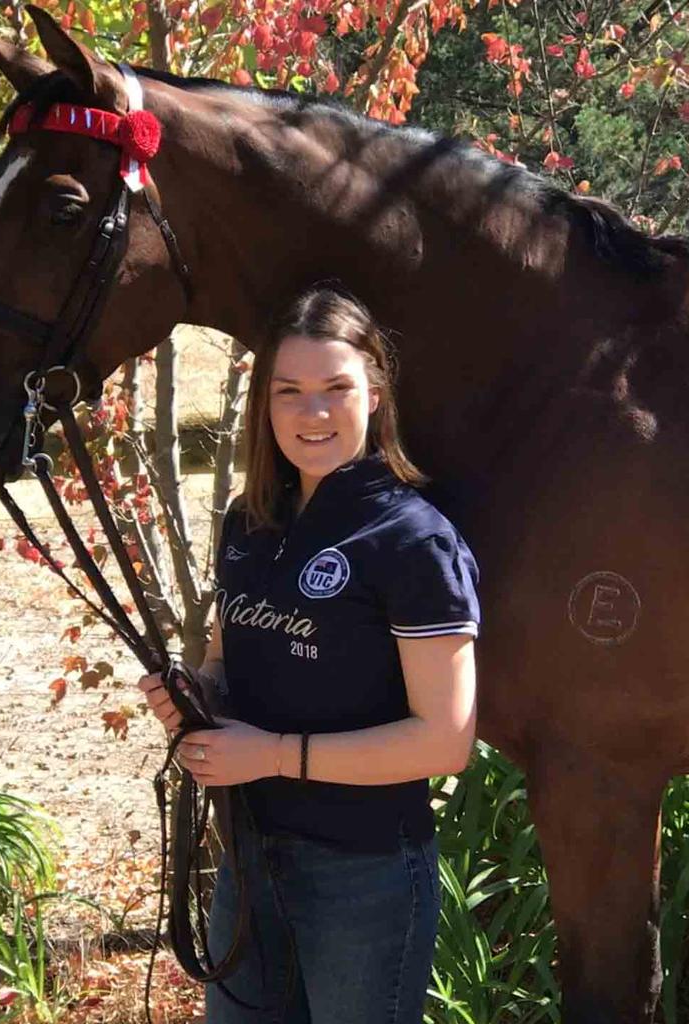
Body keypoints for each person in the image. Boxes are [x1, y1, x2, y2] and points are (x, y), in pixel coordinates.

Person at [138, 285, 479, 1024]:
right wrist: (193, 692)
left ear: (377, 395)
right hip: (248, 862)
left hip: (364, 878)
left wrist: (271, 755)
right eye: (289, 391)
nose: (312, 413)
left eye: (336, 389)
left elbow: (446, 741)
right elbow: (225, 662)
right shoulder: (249, 522)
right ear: (265, 403)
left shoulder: (414, 541)